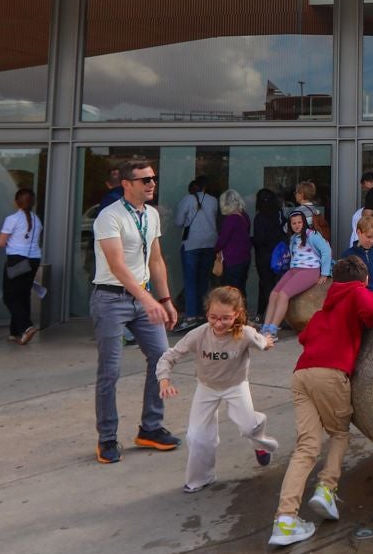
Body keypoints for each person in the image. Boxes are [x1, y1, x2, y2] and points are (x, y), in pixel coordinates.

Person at [270, 255, 373, 548]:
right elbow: (372, 311)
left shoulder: (324, 309)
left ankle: (285, 520)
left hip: (302, 375)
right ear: (365, 280)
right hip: (330, 374)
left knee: (306, 446)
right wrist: (370, 320)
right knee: (339, 433)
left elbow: (304, 338)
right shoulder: (358, 292)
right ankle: (326, 488)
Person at [87, 159, 181, 464]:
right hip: (111, 299)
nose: (151, 184)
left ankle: (150, 428)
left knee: (161, 358)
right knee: (110, 371)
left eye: (153, 178)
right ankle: (107, 438)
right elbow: (116, 264)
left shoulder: (151, 214)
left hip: (144, 298)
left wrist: (164, 299)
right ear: (126, 185)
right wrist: (147, 298)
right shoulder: (108, 217)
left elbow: (155, 259)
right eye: (144, 180)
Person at [158, 284, 278, 493]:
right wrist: (164, 381)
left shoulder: (246, 333)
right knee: (196, 436)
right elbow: (170, 356)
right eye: (213, 317)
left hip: (236, 386)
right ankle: (201, 478)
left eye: (225, 318)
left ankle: (260, 442)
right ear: (207, 314)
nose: (219, 323)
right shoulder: (198, 334)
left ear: (237, 314)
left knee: (249, 427)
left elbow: (264, 343)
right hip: (207, 387)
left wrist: (267, 342)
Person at [262, 208, 336, 333]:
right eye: (294, 223)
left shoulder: (313, 235)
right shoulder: (294, 238)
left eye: (299, 222)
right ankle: (266, 327)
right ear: (290, 225)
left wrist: (324, 273)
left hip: (310, 270)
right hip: (294, 270)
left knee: (283, 295)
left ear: (304, 222)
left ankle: (273, 330)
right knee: (274, 294)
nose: (297, 225)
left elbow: (326, 251)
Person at [0, 186, 43, 345]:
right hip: (34, 259)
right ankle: (15, 332)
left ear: (16, 202)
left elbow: (0, 243)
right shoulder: (37, 220)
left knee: (10, 296)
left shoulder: (13, 219)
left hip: (17, 260)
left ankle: (26, 327)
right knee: (22, 295)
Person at [172, 177, 219, 327]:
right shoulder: (213, 201)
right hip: (210, 242)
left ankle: (191, 316)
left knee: (190, 281)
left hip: (191, 244)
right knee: (204, 280)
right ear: (205, 188)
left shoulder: (187, 200)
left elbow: (179, 222)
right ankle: (202, 313)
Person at [210, 189, 253, 313]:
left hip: (232, 259)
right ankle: (242, 313)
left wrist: (215, 250)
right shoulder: (244, 216)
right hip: (244, 257)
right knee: (241, 288)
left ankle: (232, 314)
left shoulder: (231, 219)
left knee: (230, 290)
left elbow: (223, 239)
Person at [250, 188, 285, 319]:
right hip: (278, 255)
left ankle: (271, 316)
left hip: (264, 256)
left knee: (266, 284)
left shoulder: (260, 217)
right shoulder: (279, 214)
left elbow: (260, 240)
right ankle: (261, 313)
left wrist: (250, 240)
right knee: (272, 284)